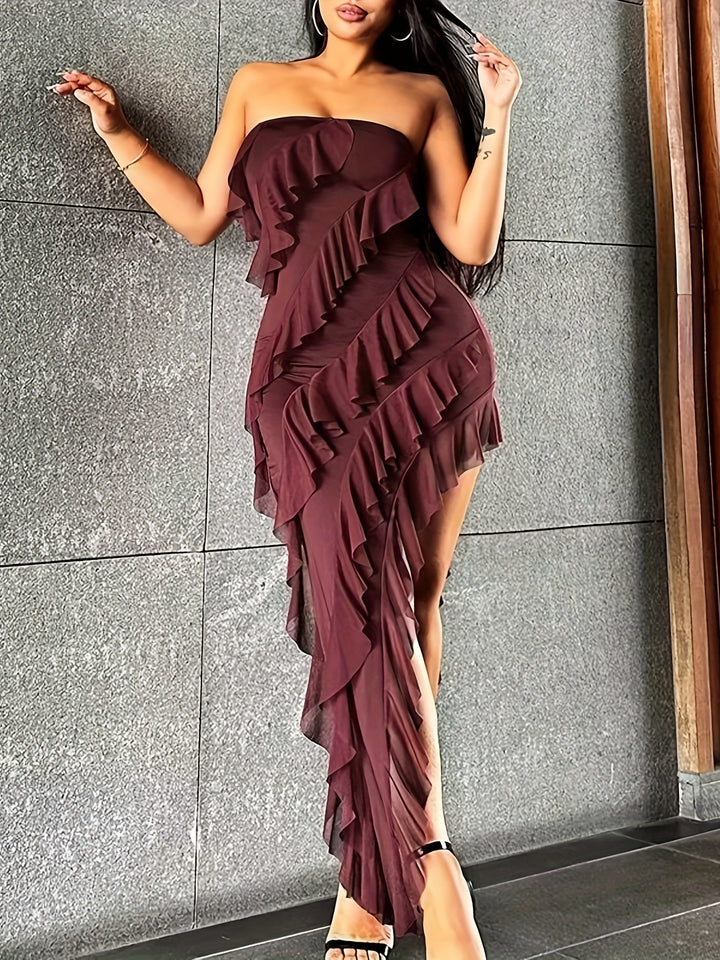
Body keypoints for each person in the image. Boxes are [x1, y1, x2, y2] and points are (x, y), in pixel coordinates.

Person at [48, 2, 521, 957]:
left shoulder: (424, 95)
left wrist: (500, 112)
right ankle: (423, 866)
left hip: (424, 359)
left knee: (409, 599)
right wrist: (121, 134)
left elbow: (468, 244)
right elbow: (200, 216)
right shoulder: (258, 85)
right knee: (363, 606)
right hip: (305, 388)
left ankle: (379, 881)